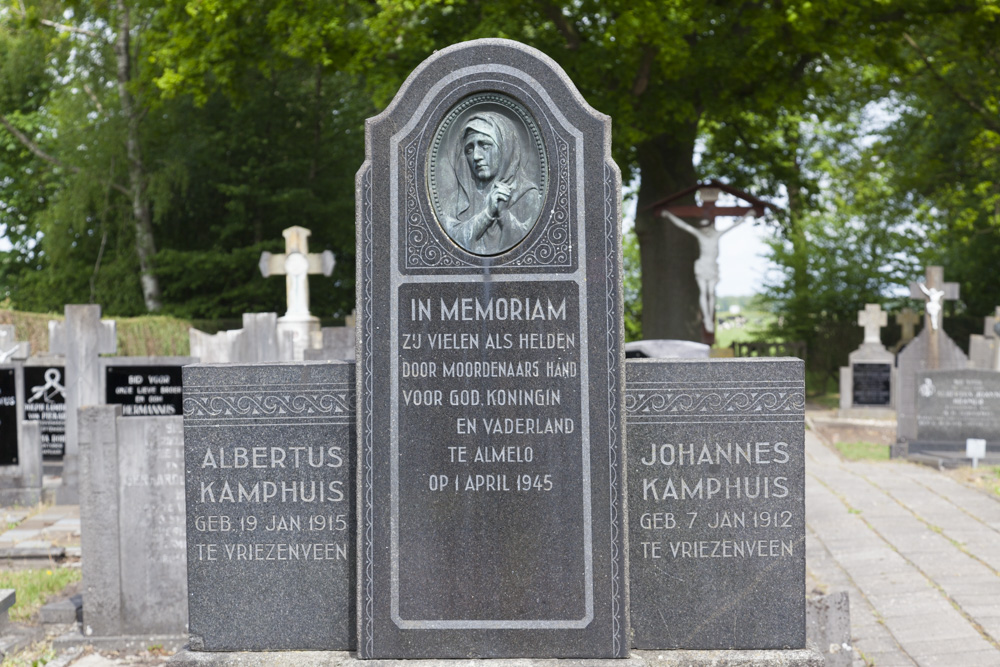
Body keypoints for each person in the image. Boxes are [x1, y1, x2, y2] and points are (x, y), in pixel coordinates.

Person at [443, 112, 542, 255]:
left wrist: (504, 215)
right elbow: (447, 243)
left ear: (505, 149)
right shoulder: (454, 202)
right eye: (470, 149)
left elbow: (535, 250)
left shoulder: (527, 196)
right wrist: (487, 214)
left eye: (485, 146)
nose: (476, 156)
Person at [662, 211, 752, 334]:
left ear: (710, 226)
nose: (705, 231)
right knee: (704, 292)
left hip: (712, 266)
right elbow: (684, 226)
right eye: (703, 228)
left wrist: (747, 215)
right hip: (702, 265)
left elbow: (734, 225)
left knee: (710, 292)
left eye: (707, 227)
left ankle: (709, 317)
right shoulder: (700, 235)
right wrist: (669, 215)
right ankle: (707, 319)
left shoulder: (716, 235)